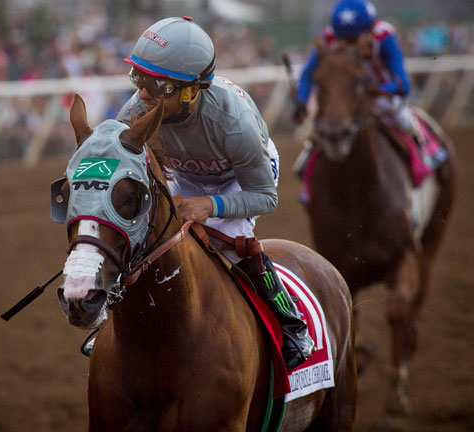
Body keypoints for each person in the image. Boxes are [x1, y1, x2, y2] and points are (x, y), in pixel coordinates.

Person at [117, 16, 314, 370]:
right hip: (186, 172)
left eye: (157, 85)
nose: (143, 93)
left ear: (192, 90)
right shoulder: (135, 111)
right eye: (139, 78)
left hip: (240, 178)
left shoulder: (234, 124)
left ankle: (292, 323)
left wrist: (212, 205)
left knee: (233, 237)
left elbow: (266, 198)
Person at [293, 0, 424, 156]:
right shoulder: (328, 36)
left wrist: (378, 89)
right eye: (344, 40)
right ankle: (306, 167)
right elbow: (308, 72)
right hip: (346, 97)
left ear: (369, 31)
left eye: (353, 41)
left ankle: (424, 157)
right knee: (319, 131)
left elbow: (404, 84)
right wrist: (302, 101)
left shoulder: (384, 36)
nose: (349, 46)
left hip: (379, 97)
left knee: (404, 121)